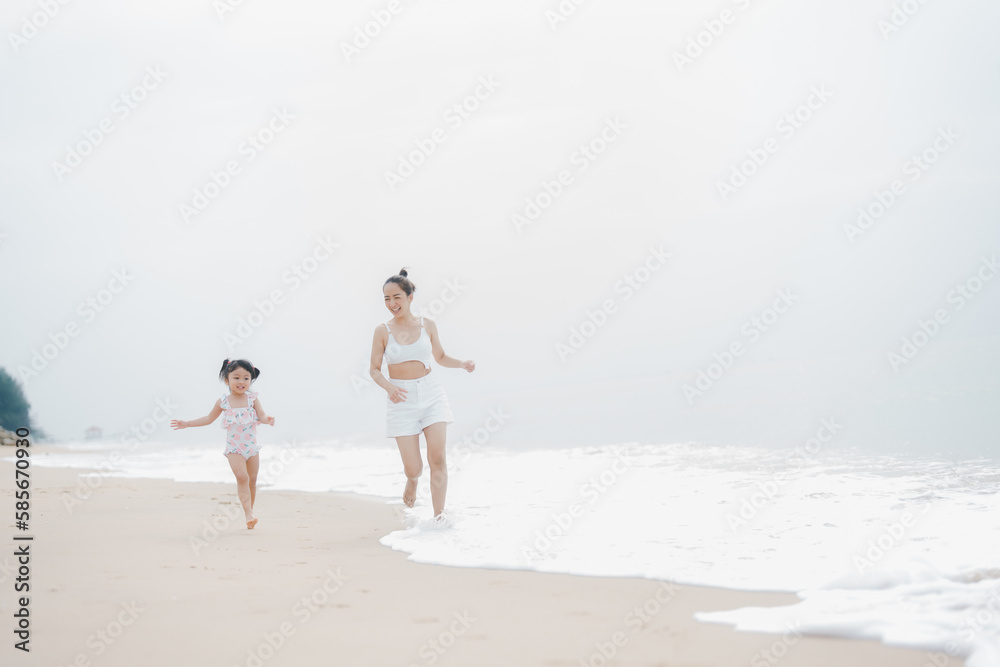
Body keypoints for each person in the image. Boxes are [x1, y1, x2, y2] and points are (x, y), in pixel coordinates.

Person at [370, 268, 475, 519]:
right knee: (414, 467)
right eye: (387, 298)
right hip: (401, 398)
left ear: (409, 297)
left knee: (437, 458)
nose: (392, 303)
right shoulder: (382, 331)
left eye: (397, 297)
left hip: (431, 393)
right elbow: (374, 370)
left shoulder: (428, 325)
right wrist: (389, 387)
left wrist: (461, 363)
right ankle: (412, 480)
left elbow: (439, 357)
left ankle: (439, 517)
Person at [170, 359, 276, 529]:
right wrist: (187, 423)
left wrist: (267, 420)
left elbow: (262, 416)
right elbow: (208, 418)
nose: (241, 382)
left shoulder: (253, 399)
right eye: (236, 378)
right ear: (227, 380)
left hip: (251, 447)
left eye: (246, 378)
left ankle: (250, 512)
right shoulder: (223, 402)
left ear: (251, 380)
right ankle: (248, 513)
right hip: (235, 448)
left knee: (253, 480)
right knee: (242, 477)